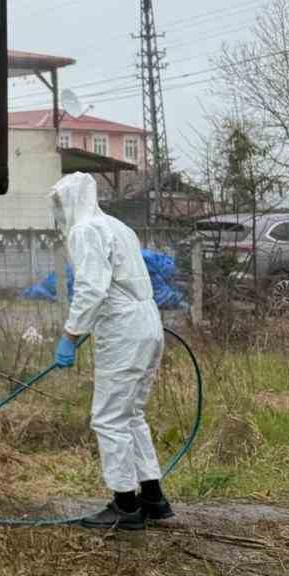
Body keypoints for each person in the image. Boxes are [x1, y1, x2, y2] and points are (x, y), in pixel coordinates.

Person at [50, 172, 174, 531]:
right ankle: (152, 496)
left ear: (72, 201)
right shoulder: (118, 226)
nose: (58, 212)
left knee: (108, 418)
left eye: (59, 204)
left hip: (123, 330)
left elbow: (91, 288)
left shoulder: (85, 230)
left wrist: (70, 335)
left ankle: (125, 504)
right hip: (147, 323)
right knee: (131, 414)